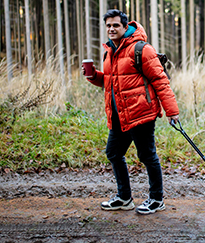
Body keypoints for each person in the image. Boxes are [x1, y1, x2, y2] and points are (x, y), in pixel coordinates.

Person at [82, 9, 179, 215]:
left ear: (125, 27)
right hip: (119, 115)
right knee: (114, 153)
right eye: (108, 25)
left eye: (116, 25)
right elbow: (111, 82)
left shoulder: (141, 49)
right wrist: (93, 77)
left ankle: (156, 199)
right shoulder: (110, 51)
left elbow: (160, 81)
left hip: (141, 113)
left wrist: (172, 112)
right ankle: (125, 198)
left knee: (147, 156)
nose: (111, 29)